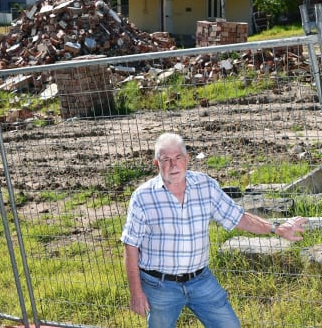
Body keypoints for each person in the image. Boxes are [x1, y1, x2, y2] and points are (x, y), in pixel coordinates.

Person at [120, 132, 308, 327]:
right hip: (159, 286)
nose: (173, 165)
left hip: (200, 281)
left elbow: (238, 217)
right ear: (156, 164)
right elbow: (131, 245)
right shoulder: (143, 197)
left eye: (178, 158)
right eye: (165, 159)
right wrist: (136, 292)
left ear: (187, 159)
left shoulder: (205, 186)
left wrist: (276, 228)